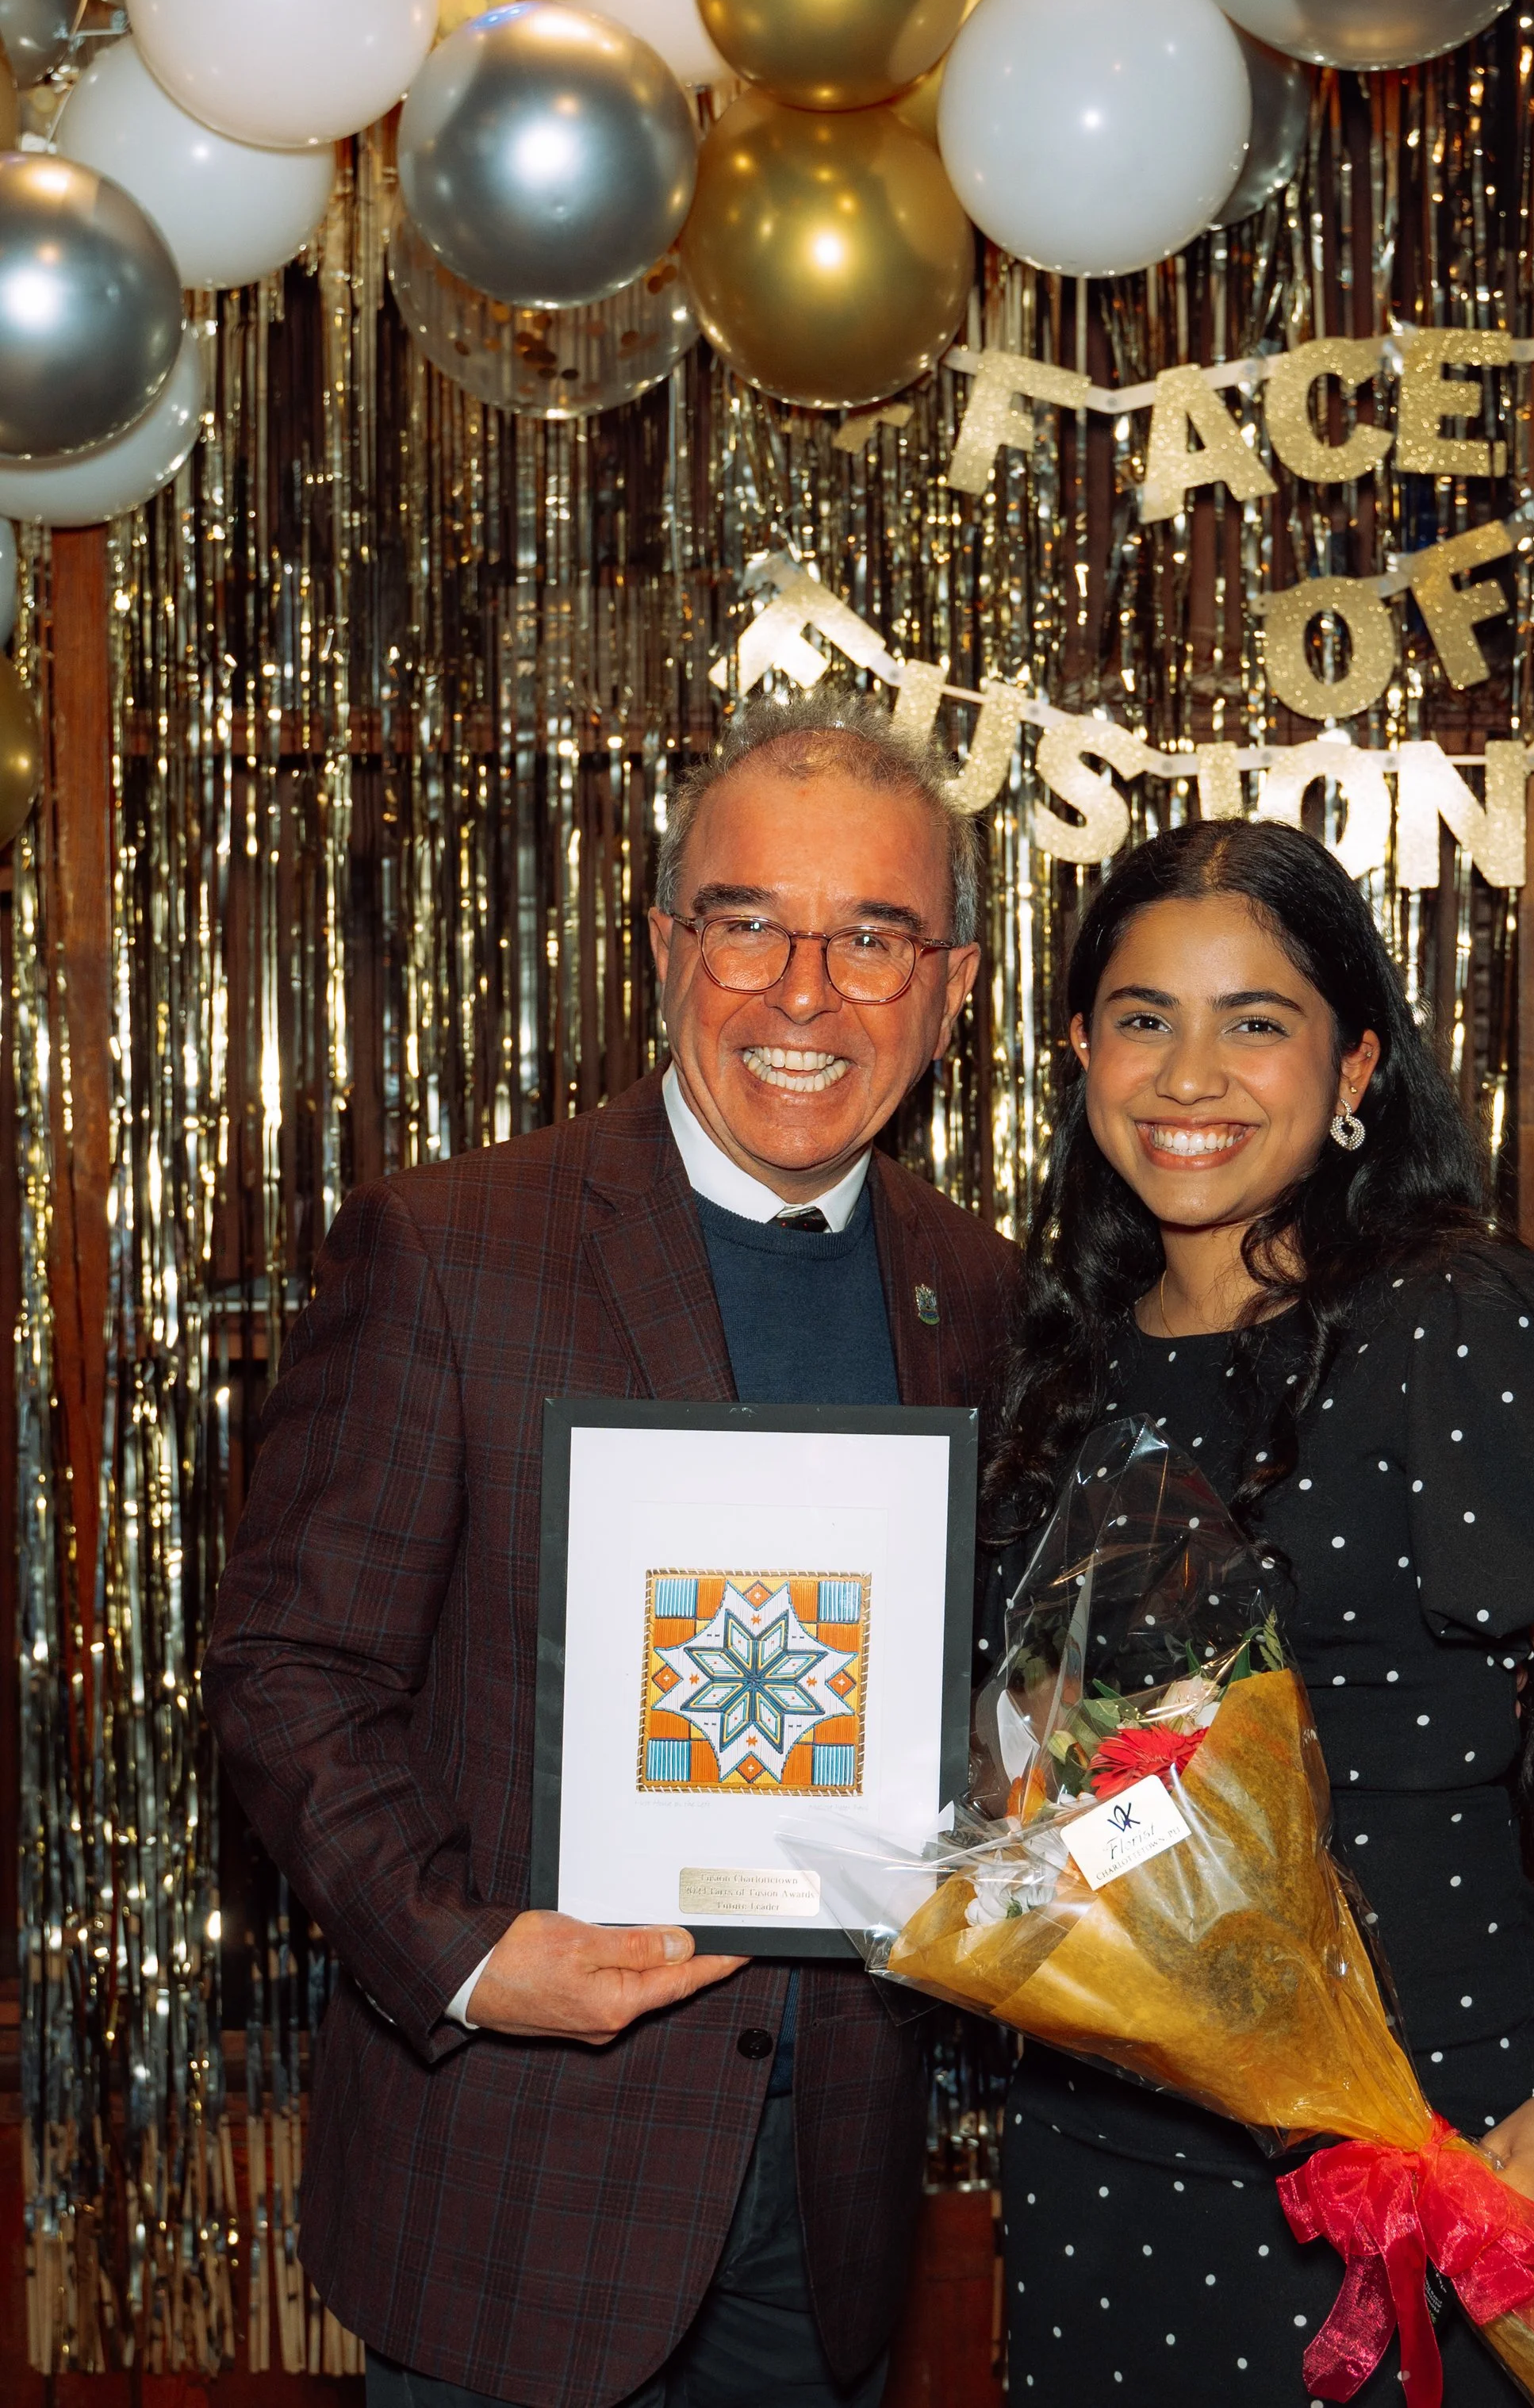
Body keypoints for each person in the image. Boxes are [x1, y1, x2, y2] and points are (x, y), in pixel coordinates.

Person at [205, 689, 1021, 2408]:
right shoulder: (450, 1249)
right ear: (662, 944)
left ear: (949, 991)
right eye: (748, 924)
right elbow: (291, 1672)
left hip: (836, 2203)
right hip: (520, 2183)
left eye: (872, 937)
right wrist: (477, 1953)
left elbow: (990, 1696)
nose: (803, 994)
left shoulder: (982, 1292)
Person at [982, 818, 1534, 2402]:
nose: (1189, 1075)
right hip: (1092, 2151)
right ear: (1075, 1048)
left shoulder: (1456, 1326)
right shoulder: (1047, 1367)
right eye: (1140, 1016)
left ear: (1355, 1063)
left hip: (1411, 2139)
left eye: (1256, 1020)